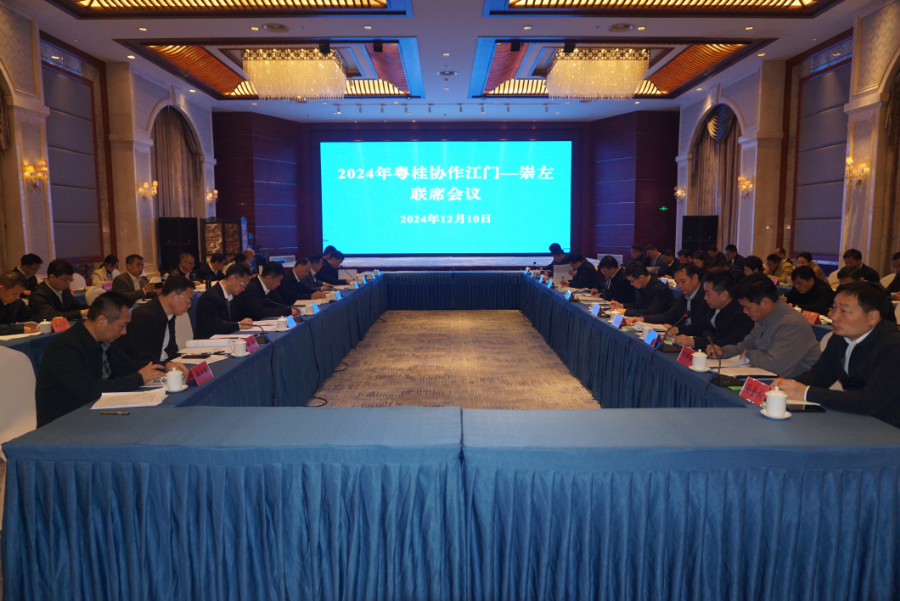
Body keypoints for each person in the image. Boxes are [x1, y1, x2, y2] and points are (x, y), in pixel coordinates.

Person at [774, 282, 900, 428]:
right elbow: (820, 376)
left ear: (872, 316)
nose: (834, 316)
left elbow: (870, 401)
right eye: (833, 308)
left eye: (844, 311)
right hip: (855, 418)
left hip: (888, 427)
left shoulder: (894, 347)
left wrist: (806, 393)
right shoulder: (839, 338)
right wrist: (787, 384)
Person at [35, 292, 166, 427]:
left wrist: (164, 366)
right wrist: (139, 378)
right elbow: (89, 389)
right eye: (122, 325)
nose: (124, 332)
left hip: (93, 411)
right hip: (64, 422)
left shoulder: (103, 339)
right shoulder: (65, 347)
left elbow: (125, 365)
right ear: (101, 320)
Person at [708, 273, 820, 378]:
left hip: (795, 384)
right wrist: (724, 352)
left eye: (747, 307)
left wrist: (750, 354)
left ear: (765, 302)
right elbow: (746, 345)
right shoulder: (763, 317)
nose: (744, 312)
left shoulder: (792, 324)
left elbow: (776, 366)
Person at [113, 275, 192, 377]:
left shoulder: (169, 315)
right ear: (173, 296)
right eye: (188, 300)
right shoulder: (143, 317)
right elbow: (143, 358)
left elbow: (171, 351)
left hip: (162, 368)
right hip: (139, 374)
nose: (189, 305)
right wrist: (166, 365)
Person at [625, 263, 709, 338]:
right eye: (677, 282)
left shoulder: (707, 298)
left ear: (695, 278)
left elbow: (702, 327)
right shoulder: (683, 296)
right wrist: (643, 319)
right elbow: (669, 315)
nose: (679, 286)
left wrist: (677, 329)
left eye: (682, 281)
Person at [681, 270, 754, 349]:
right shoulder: (714, 307)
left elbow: (731, 343)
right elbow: (701, 326)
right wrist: (677, 329)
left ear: (724, 295)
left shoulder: (742, 314)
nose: (705, 298)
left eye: (708, 294)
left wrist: (695, 342)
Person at [194, 263, 254, 339]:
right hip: (208, 342)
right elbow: (213, 327)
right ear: (232, 279)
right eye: (243, 285)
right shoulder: (211, 297)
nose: (243, 289)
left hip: (224, 339)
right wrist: (239, 325)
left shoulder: (231, 295)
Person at [232, 261, 302, 321]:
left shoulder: (270, 287)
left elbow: (278, 303)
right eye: (279, 280)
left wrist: (289, 309)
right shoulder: (250, 288)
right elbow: (260, 312)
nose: (279, 284)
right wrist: (288, 311)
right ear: (269, 278)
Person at [609, 261, 676, 317]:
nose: (631, 284)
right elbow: (639, 305)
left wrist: (625, 311)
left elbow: (651, 312)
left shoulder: (659, 289)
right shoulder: (644, 285)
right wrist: (621, 306)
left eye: (631, 281)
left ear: (641, 277)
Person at [0, 270, 38, 334]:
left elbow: (31, 316)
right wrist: (19, 329)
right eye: (15, 294)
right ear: (1, 289)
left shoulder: (17, 302)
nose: (18, 297)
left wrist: (48, 320)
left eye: (20, 294)